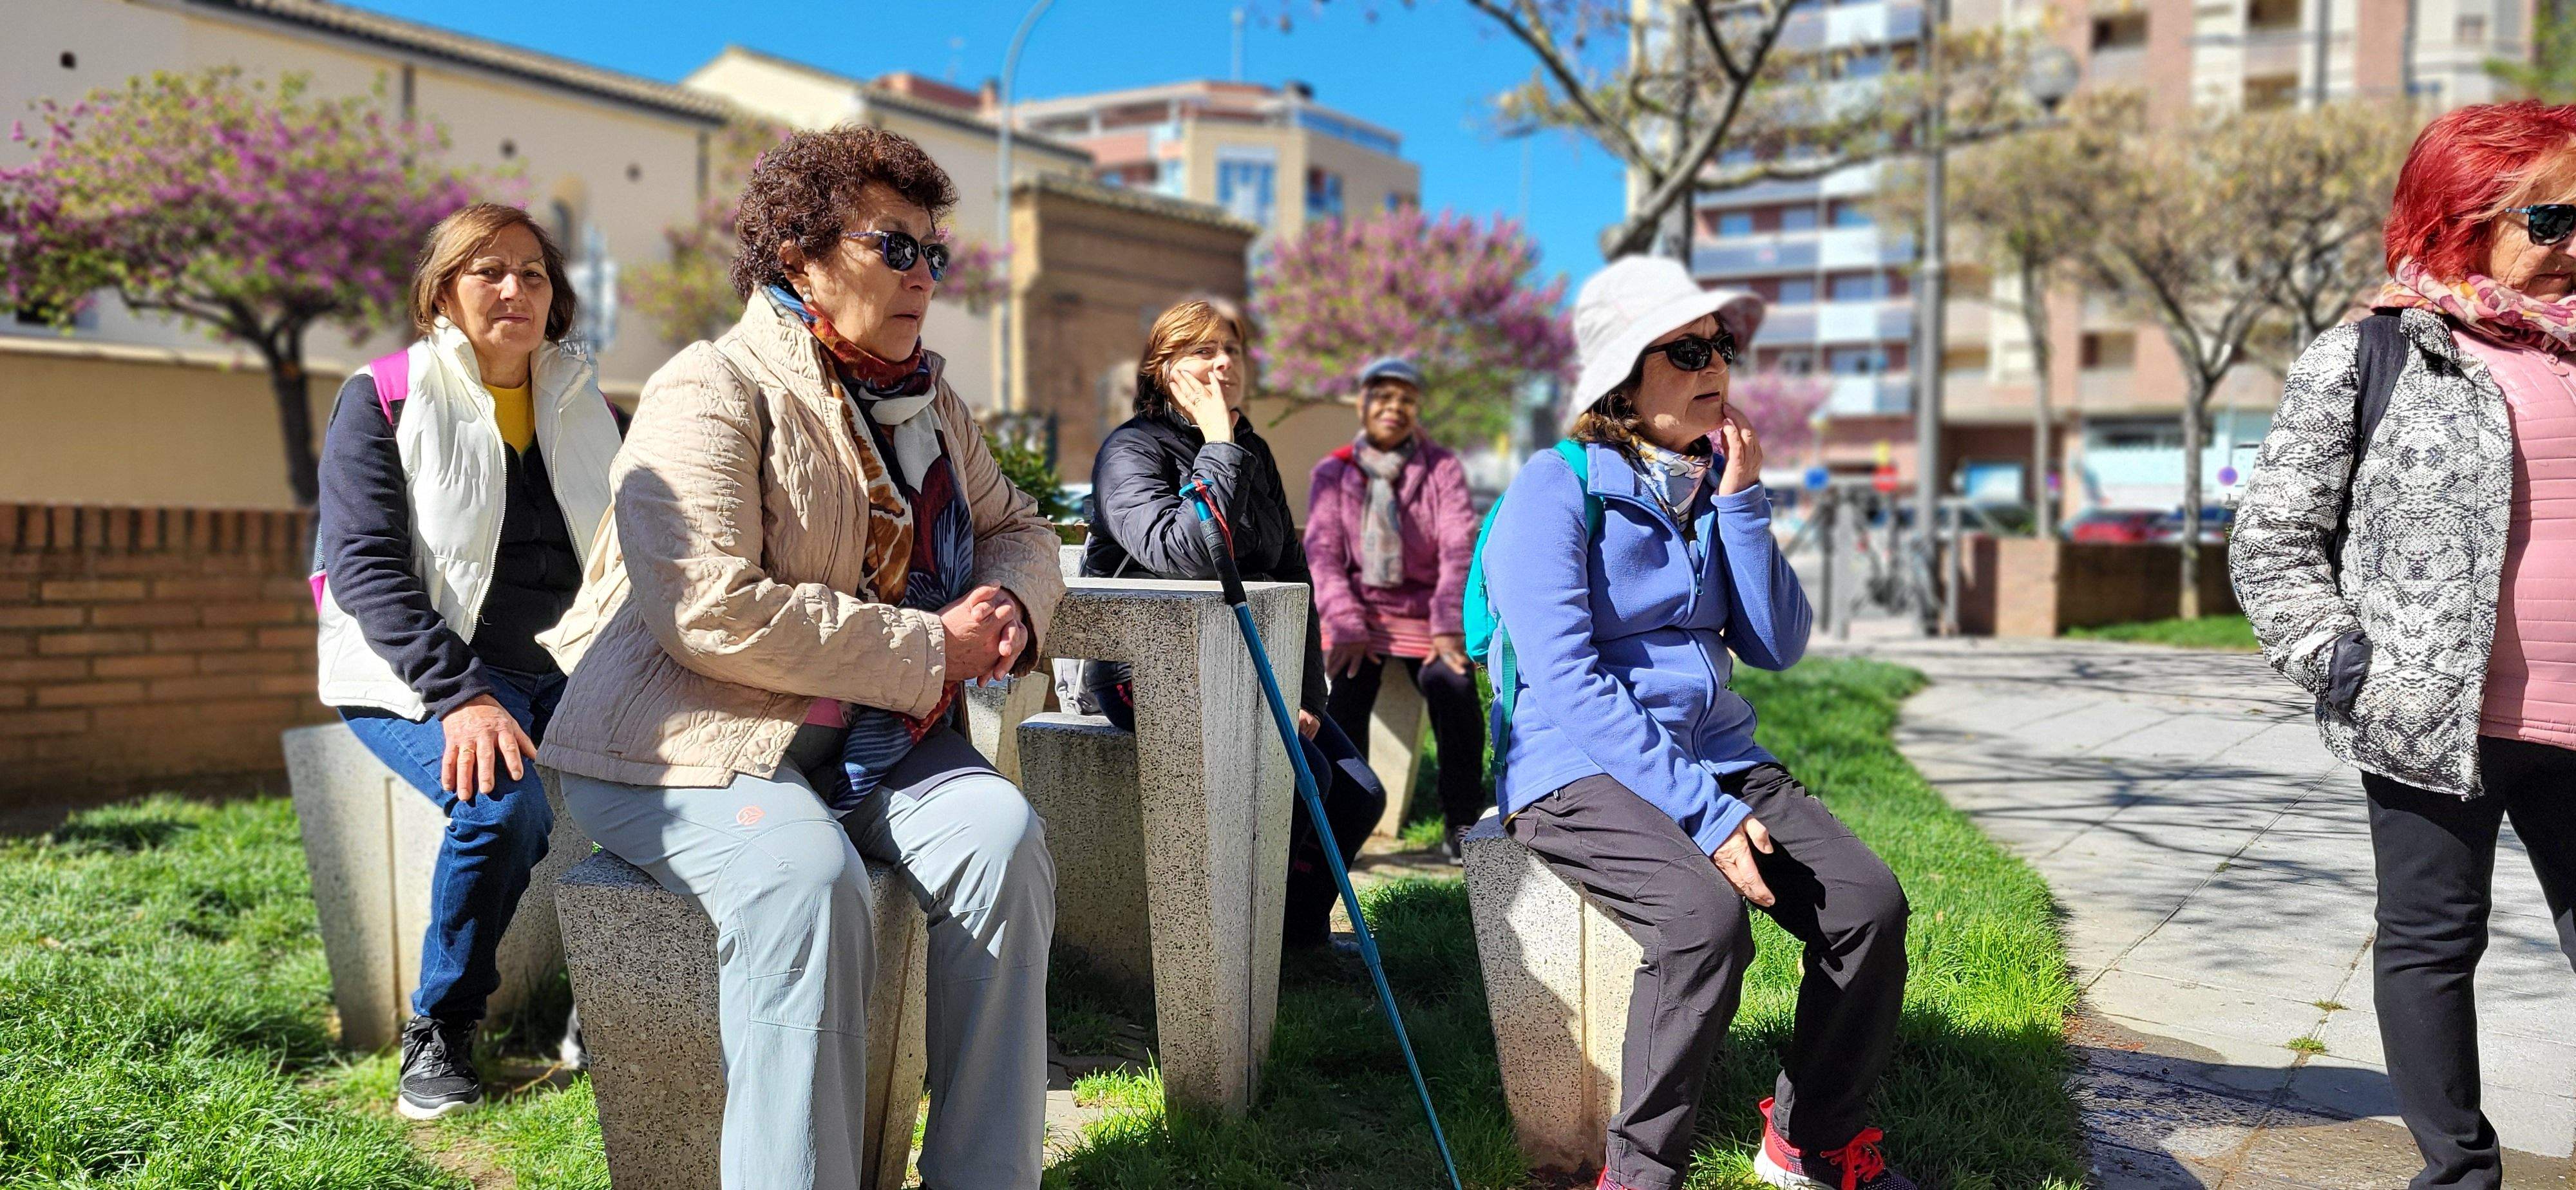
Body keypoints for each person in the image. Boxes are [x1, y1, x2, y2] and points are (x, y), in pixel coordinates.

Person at [533, 126, 1065, 1190]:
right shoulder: (710, 386)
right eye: (894, 246)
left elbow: (1022, 528)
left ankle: (984, 1174)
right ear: (800, 254)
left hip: (869, 738)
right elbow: (706, 608)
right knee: (805, 876)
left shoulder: (931, 403)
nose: (923, 275)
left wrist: (1009, 595)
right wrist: (933, 643)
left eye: (932, 252)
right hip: (688, 737)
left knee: (1005, 839)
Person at [1482, 256, 1913, 1190]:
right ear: (1621, 380)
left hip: (1716, 752)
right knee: (1704, 923)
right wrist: (1709, 820)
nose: (1715, 362)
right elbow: (1566, 681)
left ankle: (1812, 1136)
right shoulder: (1553, 490)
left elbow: (1777, 643)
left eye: (1722, 345)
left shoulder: (1709, 487)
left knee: (1870, 907)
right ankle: (1639, 1174)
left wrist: (1745, 507)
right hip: (1571, 765)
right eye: (1686, 348)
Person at [2233, 100, 2576, 1190]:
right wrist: (2347, 666)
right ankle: (2460, 1174)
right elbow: (2274, 536)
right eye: (2553, 217)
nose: (2575, 243)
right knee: (2433, 946)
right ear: (2463, 219)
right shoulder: (2373, 352)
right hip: (2434, 717)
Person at [312, 202, 622, 1120]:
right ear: (443, 290)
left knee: (693, 784)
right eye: (488, 270)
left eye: (533, 273)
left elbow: (622, 556)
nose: (514, 289)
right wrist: (461, 696)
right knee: (501, 806)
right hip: (416, 676)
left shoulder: (585, 401)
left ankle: (609, 1005)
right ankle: (442, 1029)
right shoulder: (384, 393)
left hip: (567, 671)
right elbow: (362, 563)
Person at [1080, 297, 1387, 950]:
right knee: (1310, 775)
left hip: (1249, 660)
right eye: (1202, 350)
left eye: (1234, 349)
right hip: (1147, 668)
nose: (1224, 362)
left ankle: (1293, 939)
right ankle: (1243, 949)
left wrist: (1308, 693)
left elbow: (1289, 570)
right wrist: (1217, 441)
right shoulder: (1131, 451)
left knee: (1358, 792)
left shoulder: (1252, 450)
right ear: (1164, 369)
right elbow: (1188, 552)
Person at [1304, 357, 1487, 864]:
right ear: (1363, 405)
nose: (1394, 408)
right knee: (1343, 696)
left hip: (1429, 618)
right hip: (1359, 617)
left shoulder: (1441, 468)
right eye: (1383, 398)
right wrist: (1343, 621)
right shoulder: (1334, 471)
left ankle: (1461, 822)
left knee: (1453, 688)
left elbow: (1457, 550)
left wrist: (1449, 628)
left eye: (1405, 400)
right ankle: (1344, 822)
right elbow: (1322, 554)